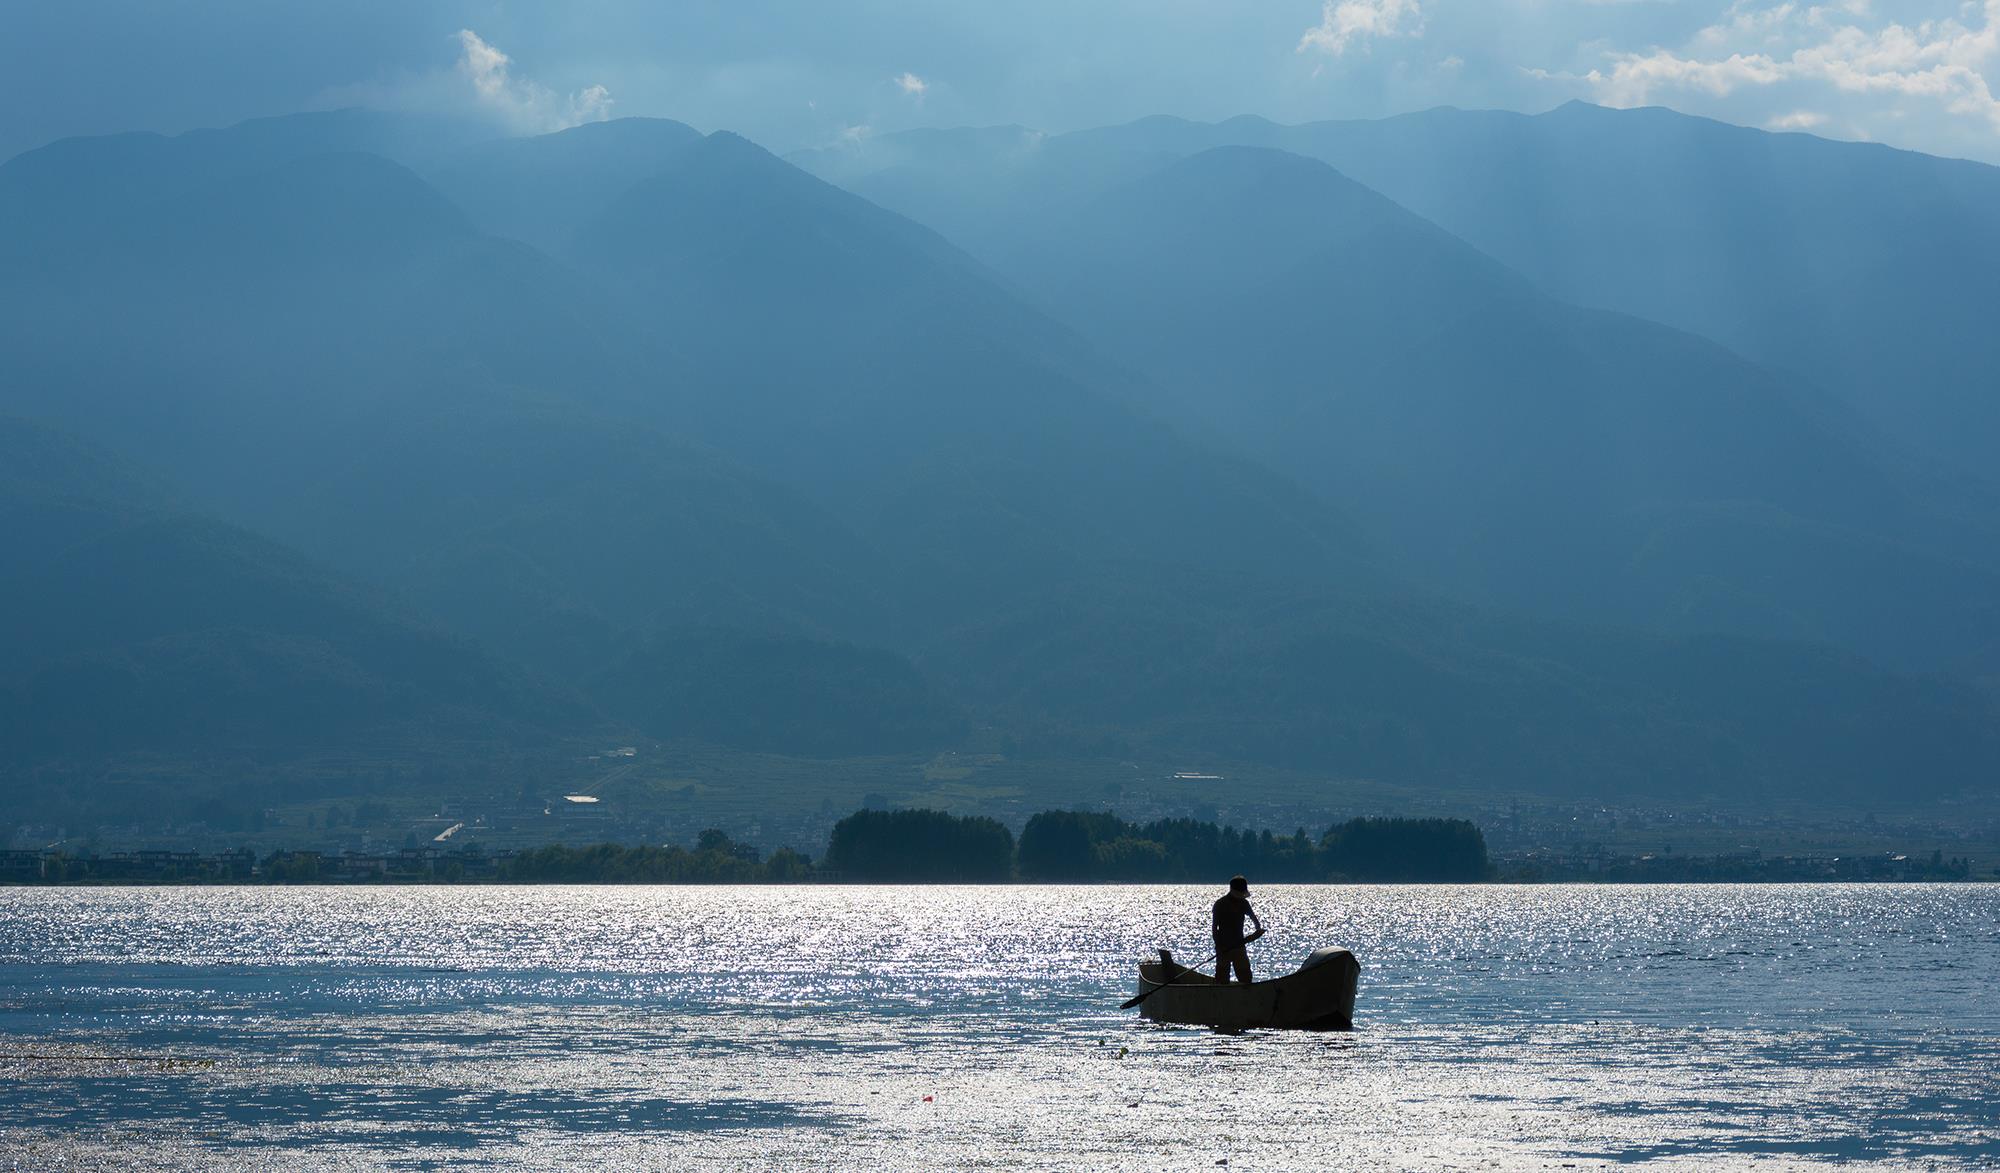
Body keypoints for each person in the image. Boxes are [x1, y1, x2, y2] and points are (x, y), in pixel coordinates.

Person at [1211, 875, 1263, 984]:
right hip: (1223, 947)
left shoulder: (1244, 903)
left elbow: (1255, 921)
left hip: (1239, 946)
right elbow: (1214, 929)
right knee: (1222, 979)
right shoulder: (1220, 904)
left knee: (1246, 979)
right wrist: (1219, 947)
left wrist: (1257, 931)